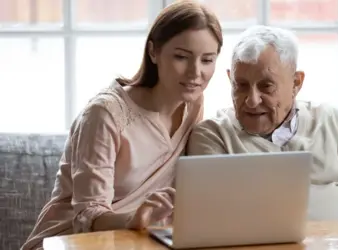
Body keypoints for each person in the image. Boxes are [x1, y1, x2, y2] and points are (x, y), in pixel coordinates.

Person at [22, 1, 223, 249]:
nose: (195, 73)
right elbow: (87, 215)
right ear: (153, 52)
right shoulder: (104, 114)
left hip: (137, 241)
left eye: (207, 60)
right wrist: (133, 219)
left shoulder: (192, 104)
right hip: (71, 240)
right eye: (181, 57)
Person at [187, 25, 338, 230]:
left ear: (296, 83)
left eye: (266, 86)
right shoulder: (213, 136)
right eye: (241, 85)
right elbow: (215, 224)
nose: (251, 100)